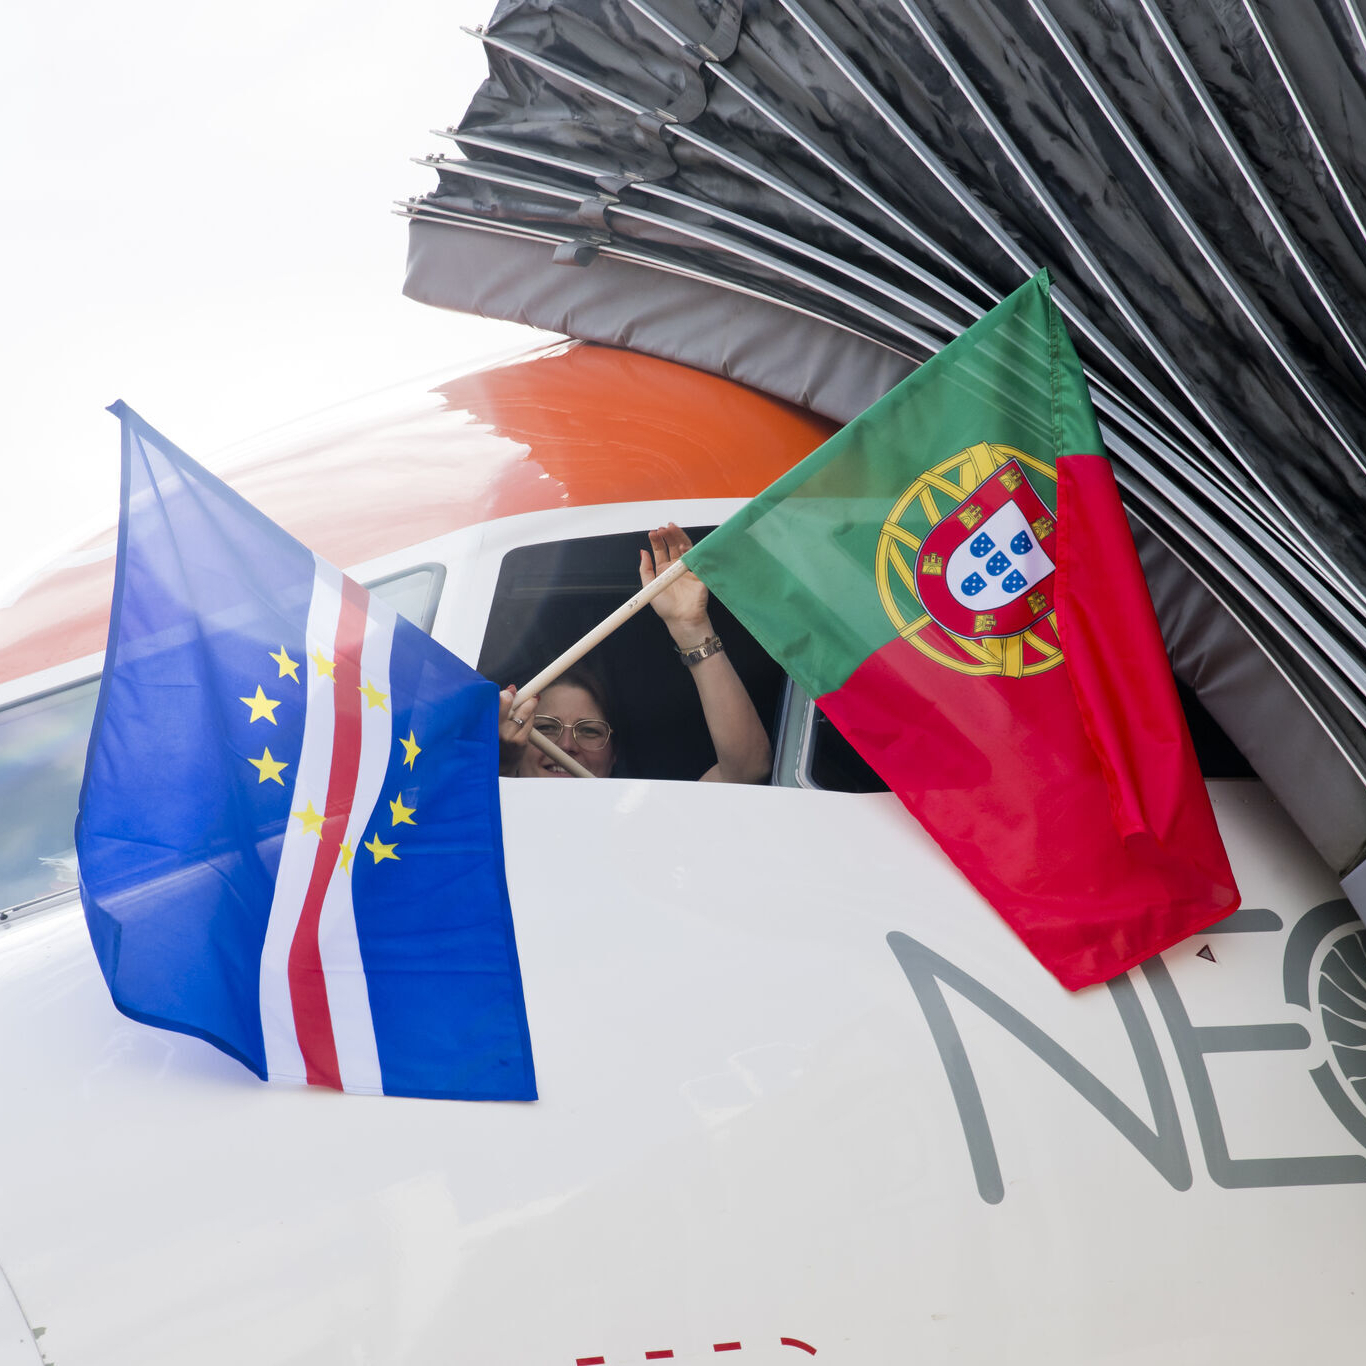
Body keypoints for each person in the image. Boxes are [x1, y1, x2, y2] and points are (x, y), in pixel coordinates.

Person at [497, 523, 772, 783]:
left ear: (614, 754)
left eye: (589, 730)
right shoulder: (479, 805)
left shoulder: (650, 813)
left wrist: (691, 627)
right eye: (545, 727)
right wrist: (500, 766)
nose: (566, 745)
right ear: (516, 741)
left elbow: (746, 771)